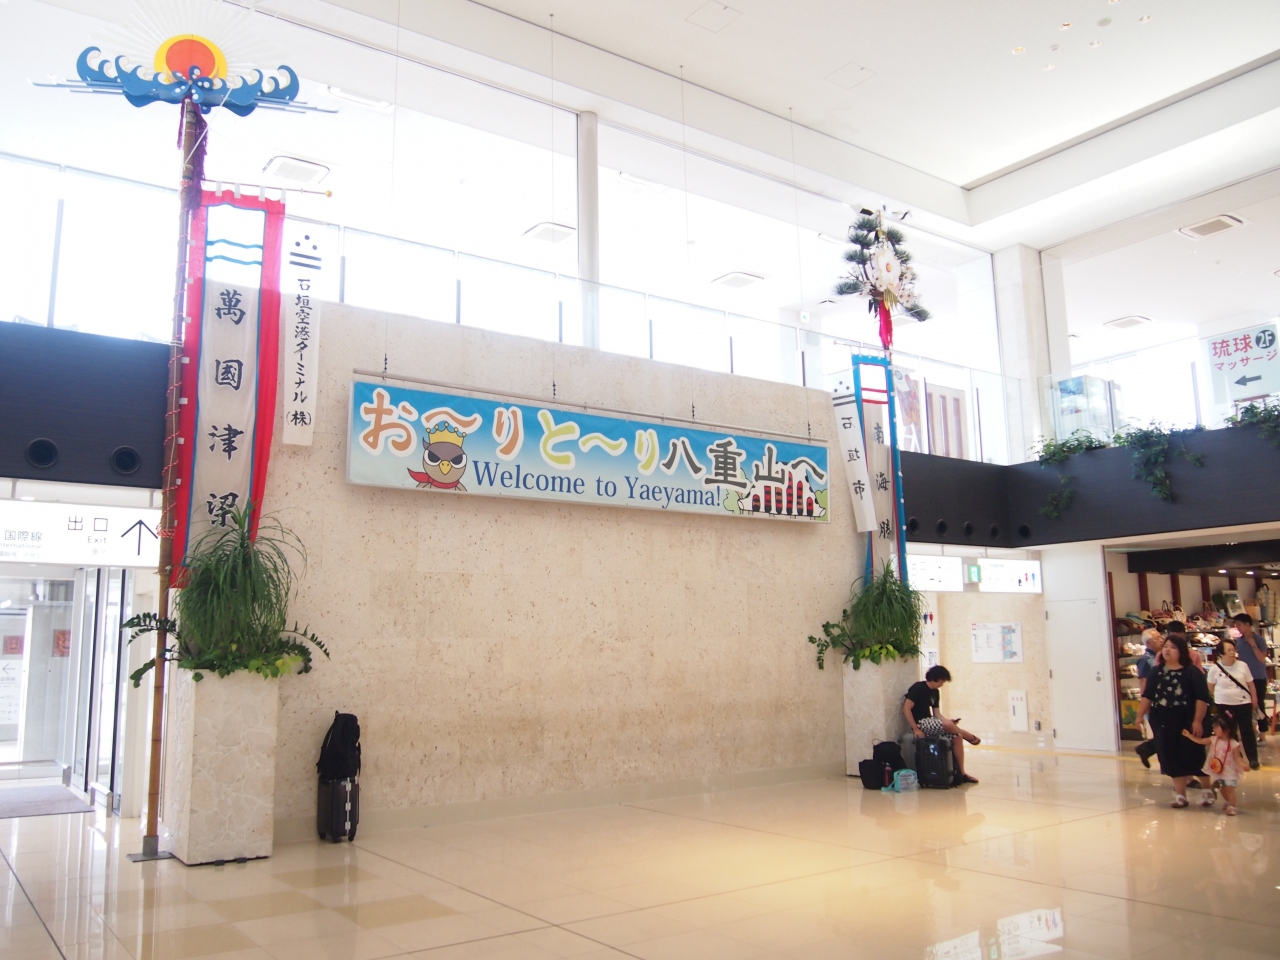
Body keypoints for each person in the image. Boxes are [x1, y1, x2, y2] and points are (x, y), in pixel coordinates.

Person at [1137, 633, 1211, 808]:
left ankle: (1207, 791)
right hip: (1163, 721)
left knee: (1194, 755)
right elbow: (1147, 695)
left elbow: (1202, 698)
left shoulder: (1192, 672)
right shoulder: (1157, 671)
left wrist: (1197, 721)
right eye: (1165, 647)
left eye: (1173, 647)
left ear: (1181, 651)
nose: (1167, 650)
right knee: (1171, 756)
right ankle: (1180, 795)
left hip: (1187, 720)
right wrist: (1140, 715)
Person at [903, 665, 981, 785]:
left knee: (957, 737)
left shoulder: (935, 692)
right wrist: (915, 728)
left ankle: (962, 773)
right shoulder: (918, 687)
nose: (942, 684)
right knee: (949, 725)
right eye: (942, 681)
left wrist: (948, 722)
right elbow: (906, 708)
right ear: (935, 678)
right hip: (921, 723)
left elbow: (937, 714)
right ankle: (967, 735)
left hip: (931, 721)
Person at [1206, 637, 1260, 770]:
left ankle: (1253, 758)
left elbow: (1250, 684)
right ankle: (1236, 757)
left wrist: (1254, 699)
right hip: (1224, 705)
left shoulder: (1243, 666)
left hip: (1243, 703)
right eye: (1228, 650)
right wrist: (1219, 697)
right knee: (1230, 731)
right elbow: (1210, 687)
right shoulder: (1215, 669)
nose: (1232, 652)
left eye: (1233, 649)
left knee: (1247, 730)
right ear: (1221, 654)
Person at [1182, 713, 1247, 816]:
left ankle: (1232, 806)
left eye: (1217, 727)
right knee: (1222, 788)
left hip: (1229, 771)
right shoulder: (1213, 739)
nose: (1214, 729)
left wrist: (1243, 765)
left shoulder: (1234, 744)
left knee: (1230, 788)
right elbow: (1201, 741)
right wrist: (1189, 736)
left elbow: (1237, 757)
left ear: (1227, 730)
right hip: (1218, 770)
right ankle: (1228, 801)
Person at [1231, 614, 1269, 742]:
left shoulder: (1259, 640)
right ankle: (1250, 731)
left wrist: (1253, 644)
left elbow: (1262, 658)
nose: (1237, 627)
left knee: (1258, 704)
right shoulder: (1239, 641)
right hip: (1243, 678)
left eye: (1239, 624)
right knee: (1245, 706)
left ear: (1247, 624)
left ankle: (1263, 734)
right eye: (1236, 625)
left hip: (1258, 677)